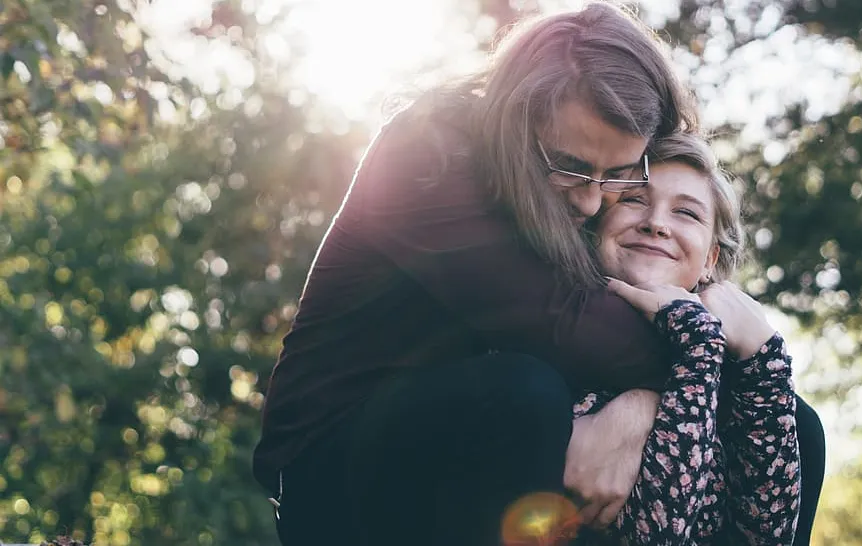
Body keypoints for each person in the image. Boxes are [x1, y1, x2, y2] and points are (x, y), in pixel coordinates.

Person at [252, 3, 824, 545]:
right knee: (526, 394)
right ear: (517, 121)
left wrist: (718, 379)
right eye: (571, 168)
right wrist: (699, 375)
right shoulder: (429, 157)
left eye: (621, 174)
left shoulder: (592, 199)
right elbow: (566, 326)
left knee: (793, 427)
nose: (594, 201)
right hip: (338, 473)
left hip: (488, 461)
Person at [565, 132, 801, 545]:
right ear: (597, 223)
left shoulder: (727, 381)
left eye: (687, 214)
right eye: (635, 199)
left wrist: (766, 365)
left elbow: (768, 538)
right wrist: (698, 345)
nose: (656, 223)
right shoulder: (552, 340)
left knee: (807, 427)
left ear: (710, 259)